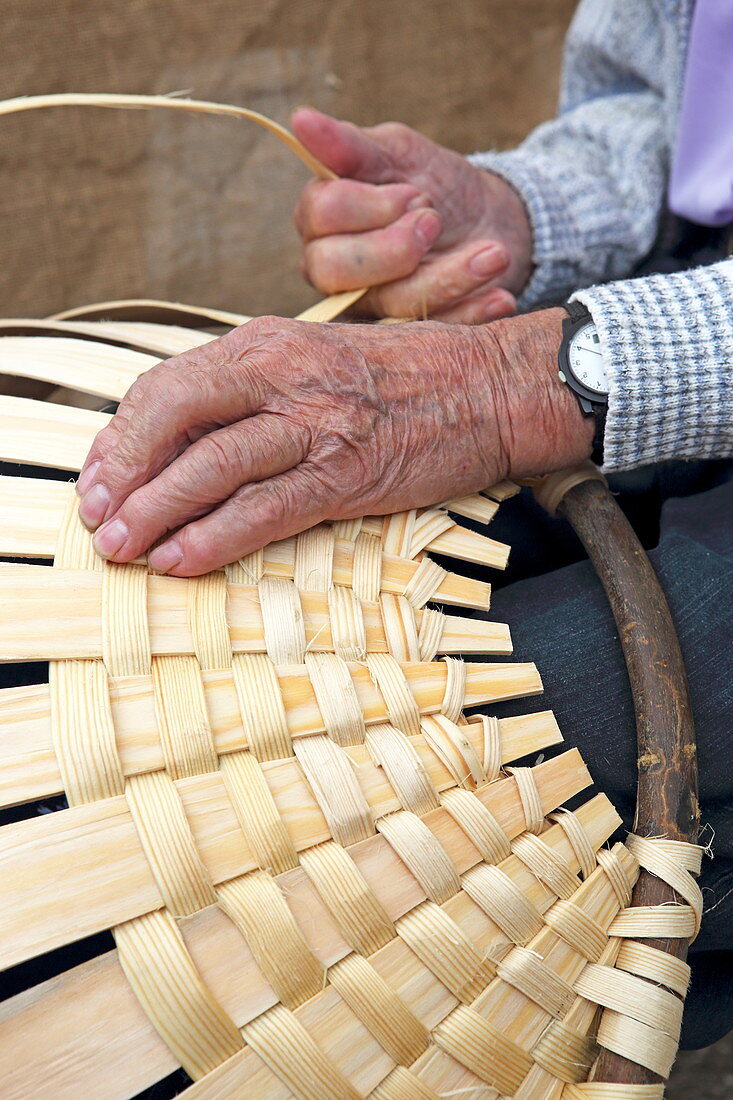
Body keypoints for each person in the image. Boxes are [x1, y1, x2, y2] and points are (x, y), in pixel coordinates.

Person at [75, 0, 732, 1048]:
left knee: (400, 817)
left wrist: (520, 380)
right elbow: (669, 102)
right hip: (667, 314)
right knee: (199, 683)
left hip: (662, 350)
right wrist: (530, 213)